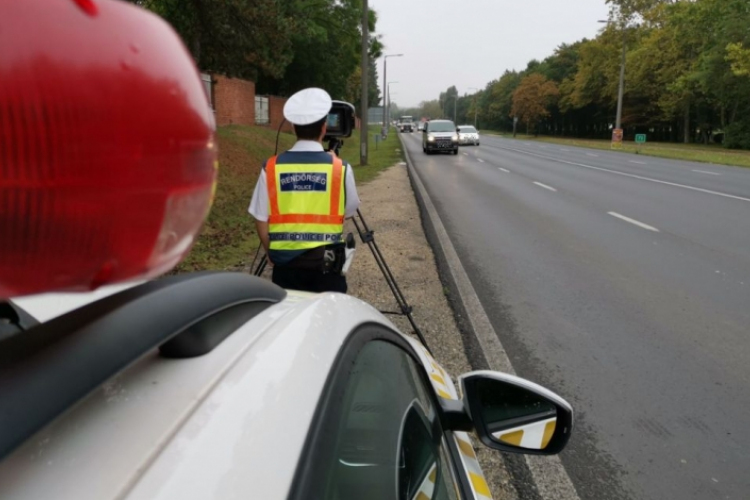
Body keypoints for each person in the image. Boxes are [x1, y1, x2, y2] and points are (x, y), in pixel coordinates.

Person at [248, 88, 360, 293]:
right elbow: (350, 212)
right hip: (328, 269)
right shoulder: (341, 169)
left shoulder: (271, 168)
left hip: (285, 270)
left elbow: (260, 217)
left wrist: (270, 253)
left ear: (292, 127)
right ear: (324, 128)